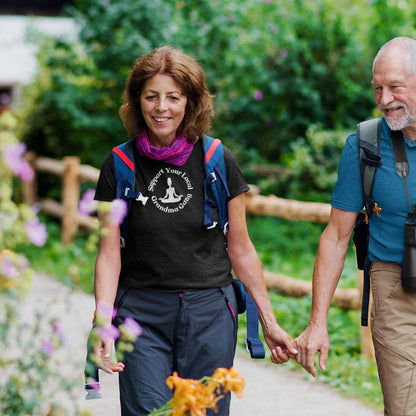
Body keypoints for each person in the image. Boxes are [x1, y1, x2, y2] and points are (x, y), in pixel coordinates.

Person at [92, 45, 297, 416]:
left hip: (209, 314)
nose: (161, 107)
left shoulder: (218, 159)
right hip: (141, 314)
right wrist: (102, 322)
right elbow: (109, 252)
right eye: (151, 96)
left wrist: (269, 321)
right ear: (137, 101)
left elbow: (241, 248)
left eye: (173, 97)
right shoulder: (119, 164)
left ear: (191, 102)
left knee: (203, 411)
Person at [294, 36, 416, 415]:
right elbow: (335, 236)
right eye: (377, 87)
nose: (384, 99)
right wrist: (318, 323)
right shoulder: (365, 145)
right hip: (396, 292)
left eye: (395, 86)